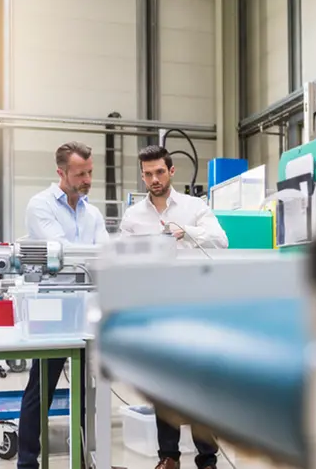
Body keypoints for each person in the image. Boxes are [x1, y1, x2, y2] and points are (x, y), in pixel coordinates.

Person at [119, 145, 228, 469]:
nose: (154, 179)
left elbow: (221, 240)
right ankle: (168, 457)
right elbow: (122, 260)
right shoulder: (133, 217)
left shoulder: (195, 208)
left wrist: (187, 232)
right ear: (142, 175)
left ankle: (207, 460)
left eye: (159, 172)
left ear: (171, 171)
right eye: (148, 174)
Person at [17, 141, 109, 469]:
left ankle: (83, 457)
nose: (87, 179)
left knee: (87, 390)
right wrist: (85, 257)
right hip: (52, 306)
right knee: (41, 387)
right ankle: (27, 461)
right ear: (61, 172)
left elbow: (104, 255)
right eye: (80, 173)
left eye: (90, 172)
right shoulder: (40, 206)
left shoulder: (93, 212)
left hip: (86, 305)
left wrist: (86, 258)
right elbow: (63, 254)